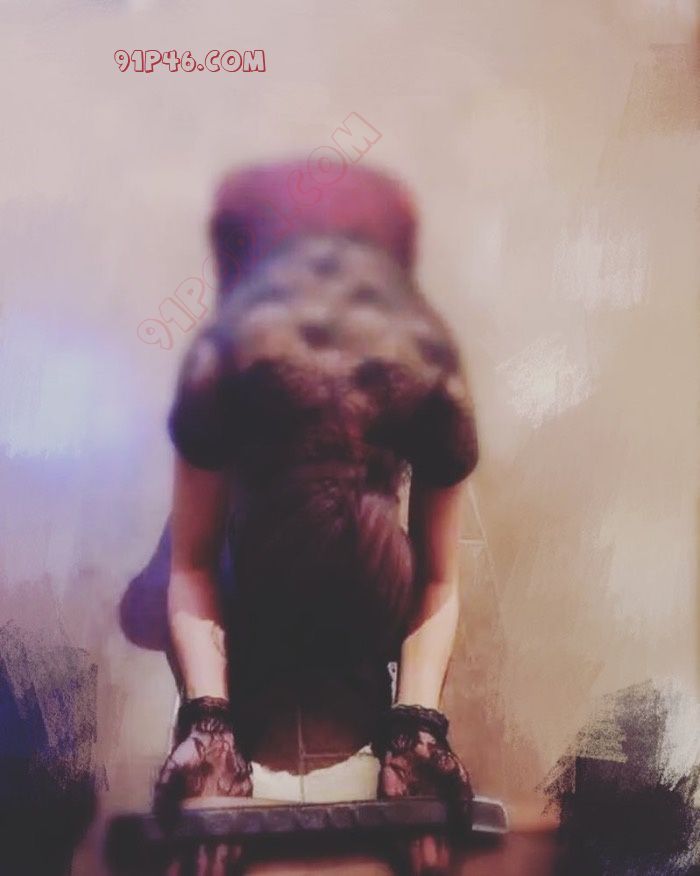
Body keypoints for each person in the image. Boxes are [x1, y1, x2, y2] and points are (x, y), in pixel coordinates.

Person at [154, 161, 479, 875]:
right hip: (257, 635)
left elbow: (438, 578)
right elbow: (193, 562)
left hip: (358, 659)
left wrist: (417, 730)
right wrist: (209, 727)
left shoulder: (429, 373)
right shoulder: (223, 362)